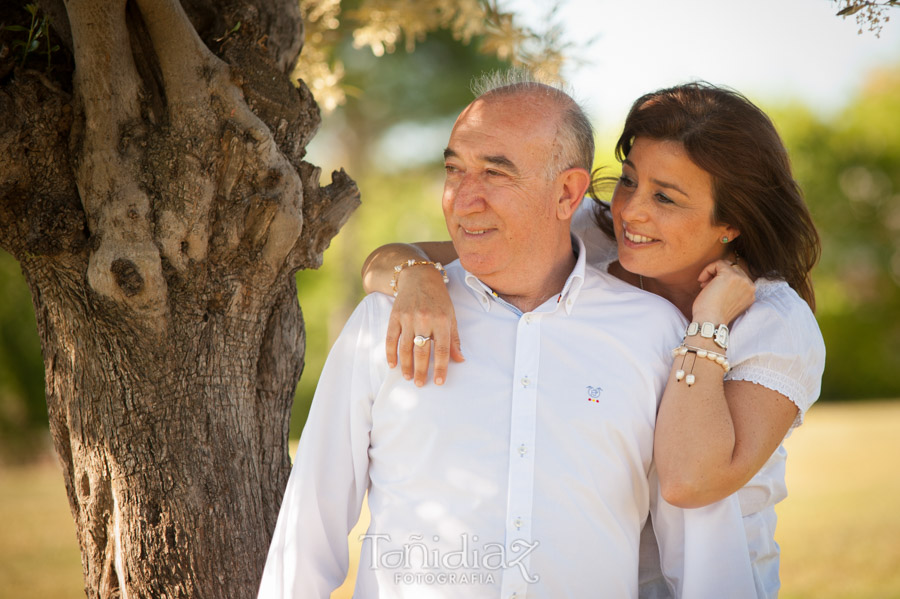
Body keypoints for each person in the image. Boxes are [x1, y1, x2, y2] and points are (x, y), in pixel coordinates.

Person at [258, 76, 757, 598]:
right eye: (454, 170)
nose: (462, 199)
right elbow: (309, 528)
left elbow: (704, 555)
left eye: (495, 173)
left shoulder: (654, 335)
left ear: (568, 192)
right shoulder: (384, 318)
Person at [361, 81, 826, 598]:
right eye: (629, 181)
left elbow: (688, 481)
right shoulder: (592, 233)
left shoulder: (776, 324)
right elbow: (406, 254)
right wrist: (416, 276)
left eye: (665, 198)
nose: (630, 212)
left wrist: (710, 322)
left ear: (732, 222)